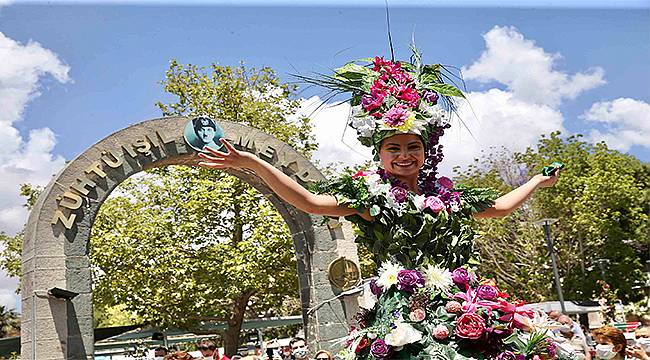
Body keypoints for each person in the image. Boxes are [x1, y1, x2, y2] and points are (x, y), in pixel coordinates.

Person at [198, 52, 560, 359]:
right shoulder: (371, 199)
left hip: (462, 306)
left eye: (413, 147)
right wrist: (253, 163)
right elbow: (308, 201)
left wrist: (535, 181)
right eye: (394, 148)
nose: (404, 155)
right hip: (401, 314)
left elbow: (497, 207)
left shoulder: (451, 197)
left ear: (426, 151)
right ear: (380, 153)